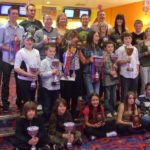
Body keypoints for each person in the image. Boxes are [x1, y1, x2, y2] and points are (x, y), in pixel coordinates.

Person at [0, 6, 24, 111]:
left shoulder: (21, 29)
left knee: (20, 82)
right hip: (6, 60)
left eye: (16, 13)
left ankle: (19, 103)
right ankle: (5, 104)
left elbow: (23, 44)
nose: (14, 15)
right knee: (5, 82)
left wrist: (18, 44)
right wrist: (10, 48)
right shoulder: (3, 28)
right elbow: (0, 43)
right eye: (12, 13)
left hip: (18, 60)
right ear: (8, 15)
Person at [14, 32, 40, 107]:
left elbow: (39, 65)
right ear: (23, 41)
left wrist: (36, 73)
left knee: (32, 100)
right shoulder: (20, 52)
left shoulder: (36, 52)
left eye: (31, 40)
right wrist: (28, 74)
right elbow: (16, 68)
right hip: (23, 80)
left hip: (33, 80)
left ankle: (32, 117)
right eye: (28, 40)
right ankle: (25, 116)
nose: (30, 42)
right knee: (26, 102)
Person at [61, 30, 82, 118]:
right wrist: (65, 66)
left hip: (76, 71)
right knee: (66, 93)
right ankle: (66, 112)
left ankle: (73, 112)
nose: (76, 39)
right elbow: (60, 61)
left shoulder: (78, 48)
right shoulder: (62, 48)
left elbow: (83, 60)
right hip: (66, 72)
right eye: (74, 37)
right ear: (68, 38)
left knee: (75, 94)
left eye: (76, 37)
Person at [116, 32, 139, 101]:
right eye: (125, 39)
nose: (128, 40)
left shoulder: (135, 49)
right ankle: (123, 109)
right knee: (125, 93)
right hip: (125, 74)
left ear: (131, 39)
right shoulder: (120, 49)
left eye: (129, 38)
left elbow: (137, 61)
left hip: (134, 74)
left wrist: (137, 71)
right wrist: (126, 61)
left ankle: (132, 108)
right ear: (123, 40)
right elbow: (117, 62)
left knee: (133, 93)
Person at [40, 44, 61, 121]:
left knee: (55, 104)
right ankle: (47, 120)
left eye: (54, 51)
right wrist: (51, 72)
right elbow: (41, 74)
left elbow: (61, 73)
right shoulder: (43, 62)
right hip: (47, 87)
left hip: (56, 86)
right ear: (46, 52)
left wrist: (59, 73)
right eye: (50, 51)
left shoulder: (57, 61)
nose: (52, 53)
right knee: (47, 105)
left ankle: (54, 120)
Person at [79, 31, 103, 99]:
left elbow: (101, 63)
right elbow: (83, 62)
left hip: (97, 74)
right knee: (91, 94)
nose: (98, 38)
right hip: (88, 74)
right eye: (96, 36)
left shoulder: (99, 49)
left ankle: (96, 109)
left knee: (97, 94)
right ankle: (89, 109)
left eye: (98, 36)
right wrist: (89, 60)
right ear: (91, 37)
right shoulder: (84, 48)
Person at [103, 41, 119, 117]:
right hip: (107, 79)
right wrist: (109, 72)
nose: (110, 48)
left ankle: (113, 110)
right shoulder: (103, 56)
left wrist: (116, 67)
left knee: (114, 96)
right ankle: (107, 111)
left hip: (114, 79)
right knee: (107, 96)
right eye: (108, 47)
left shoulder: (114, 55)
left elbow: (116, 66)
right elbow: (102, 68)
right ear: (105, 48)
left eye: (112, 47)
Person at [138, 27, 150, 94]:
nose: (149, 33)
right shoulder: (141, 43)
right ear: (145, 33)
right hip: (143, 65)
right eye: (147, 31)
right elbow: (138, 55)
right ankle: (142, 100)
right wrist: (145, 53)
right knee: (144, 84)